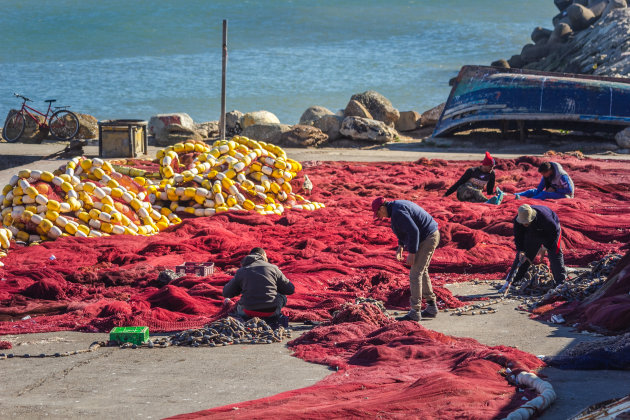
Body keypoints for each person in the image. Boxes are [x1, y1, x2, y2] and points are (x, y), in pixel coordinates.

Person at [372, 197, 440, 321]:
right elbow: (405, 229)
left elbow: (413, 231)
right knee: (421, 271)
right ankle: (431, 307)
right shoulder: (396, 208)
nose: (380, 217)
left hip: (428, 237)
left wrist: (412, 253)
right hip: (430, 235)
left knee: (415, 274)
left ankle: (415, 311)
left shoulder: (398, 211)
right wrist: (401, 247)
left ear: (382, 208)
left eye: (378, 213)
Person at [223, 247, 295, 320]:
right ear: (263, 255)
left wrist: (240, 287)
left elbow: (226, 293)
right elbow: (290, 289)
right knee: (282, 296)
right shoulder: (273, 268)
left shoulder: (241, 271)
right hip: (271, 312)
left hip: (247, 313)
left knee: (241, 301)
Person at [510, 204, 567, 286]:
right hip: (534, 229)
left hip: (551, 230)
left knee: (555, 254)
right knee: (525, 255)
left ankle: (560, 282)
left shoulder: (545, 218)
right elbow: (518, 237)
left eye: (526, 222)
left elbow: (555, 232)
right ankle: (514, 280)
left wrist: (545, 247)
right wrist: (521, 250)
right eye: (523, 222)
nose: (524, 224)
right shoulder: (518, 220)